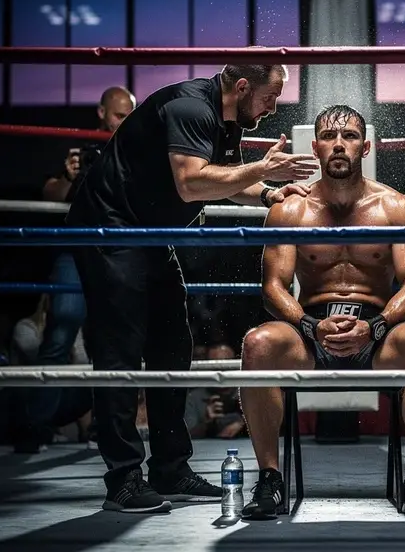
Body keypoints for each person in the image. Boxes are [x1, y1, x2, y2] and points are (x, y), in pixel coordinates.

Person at [66, 64, 318, 513]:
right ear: (242, 87)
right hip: (110, 228)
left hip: (148, 233)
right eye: (269, 97)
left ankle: (169, 467)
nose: (272, 107)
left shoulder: (226, 122)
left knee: (173, 343)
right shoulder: (189, 107)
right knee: (120, 348)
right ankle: (123, 479)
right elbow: (191, 184)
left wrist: (268, 194)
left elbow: (223, 181)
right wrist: (264, 168)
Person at [238, 104, 405, 521]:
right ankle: (269, 480)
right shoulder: (289, 210)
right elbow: (273, 288)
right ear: (315, 147)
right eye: (330, 138)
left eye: (349, 136)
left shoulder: (396, 207)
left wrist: (375, 327)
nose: (339, 144)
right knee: (258, 344)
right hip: (309, 333)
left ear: (365, 146)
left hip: (378, 332)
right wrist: (311, 326)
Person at [15, 86, 136, 454]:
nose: (123, 122)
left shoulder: (136, 149)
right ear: (101, 112)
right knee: (60, 330)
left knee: (112, 340)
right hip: (75, 248)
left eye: (129, 115)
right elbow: (48, 197)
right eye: (118, 115)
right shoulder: (81, 149)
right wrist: (69, 177)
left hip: (116, 251)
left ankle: (106, 428)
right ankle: (35, 428)